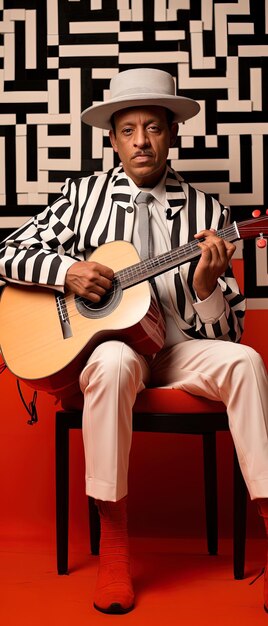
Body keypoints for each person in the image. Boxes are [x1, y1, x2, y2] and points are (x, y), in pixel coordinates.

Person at [0, 67, 268, 615]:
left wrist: (203, 287)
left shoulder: (209, 212)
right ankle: (115, 548)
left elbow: (229, 328)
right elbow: (7, 254)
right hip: (114, 352)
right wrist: (68, 273)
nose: (141, 141)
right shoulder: (81, 196)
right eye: (128, 129)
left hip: (177, 349)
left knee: (244, 360)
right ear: (112, 138)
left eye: (153, 127)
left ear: (172, 132)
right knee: (116, 358)